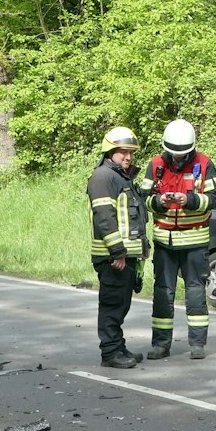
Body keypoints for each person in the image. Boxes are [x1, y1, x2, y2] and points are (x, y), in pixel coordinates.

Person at [142, 118, 216, 360]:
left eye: (182, 155)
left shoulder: (204, 163)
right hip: (164, 242)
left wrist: (191, 201)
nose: (177, 159)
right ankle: (161, 344)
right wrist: (158, 202)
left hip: (195, 242)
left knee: (195, 291)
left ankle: (197, 344)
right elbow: (143, 197)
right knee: (163, 292)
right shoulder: (155, 164)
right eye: (173, 154)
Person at [87, 125, 147, 369]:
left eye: (131, 152)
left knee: (121, 305)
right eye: (123, 152)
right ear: (110, 151)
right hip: (113, 257)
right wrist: (117, 252)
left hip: (126, 256)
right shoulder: (103, 177)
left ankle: (117, 346)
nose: (128, 157)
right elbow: (104, 216)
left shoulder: (121, 177)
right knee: (112, 305)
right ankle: (110, 353)